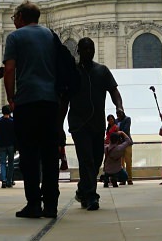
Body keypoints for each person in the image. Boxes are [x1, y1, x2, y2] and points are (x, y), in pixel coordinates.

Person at [2, 0, 61, 219]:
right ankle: (51, 205)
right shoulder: (50, 35)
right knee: (49, 154)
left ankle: (34, 204)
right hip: (50, 102)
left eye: (14, 17)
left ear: (20, 17)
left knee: (29, 154)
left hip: (27, 101)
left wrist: (11, 96)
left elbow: (10, 70)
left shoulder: (15, 37)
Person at [66, 36, 122, 211]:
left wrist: (119, 107)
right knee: (86, 159)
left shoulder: (102, 70)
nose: (88, 52)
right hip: (79, 124)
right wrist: (58, 124)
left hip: (97, 124)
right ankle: (92, 196)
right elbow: (63, 99)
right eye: (85, 49)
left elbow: (114, 90)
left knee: (97, 159)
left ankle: (83, 189)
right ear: (79, 51)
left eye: (91, 49)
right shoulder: (72, 72)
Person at [0, 106, 16, 188]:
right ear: (9, 112)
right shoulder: (13, 121)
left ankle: (4, 180)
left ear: (2, 112)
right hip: (11, 145)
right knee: (11, 163)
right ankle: (9, 181)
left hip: (2, 145)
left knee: (2, 163)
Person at [114, 107, 133, 184]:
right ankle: (123, 179)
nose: (118, 115)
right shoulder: (116, 120)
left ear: (123, 113)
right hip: (119, 143)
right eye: (117, 114)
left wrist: (118, 130)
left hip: (127, 142)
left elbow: (126, 129)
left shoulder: (127, 119)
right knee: (121, 163)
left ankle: (129, 178)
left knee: (128, 161)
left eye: (120, 113)